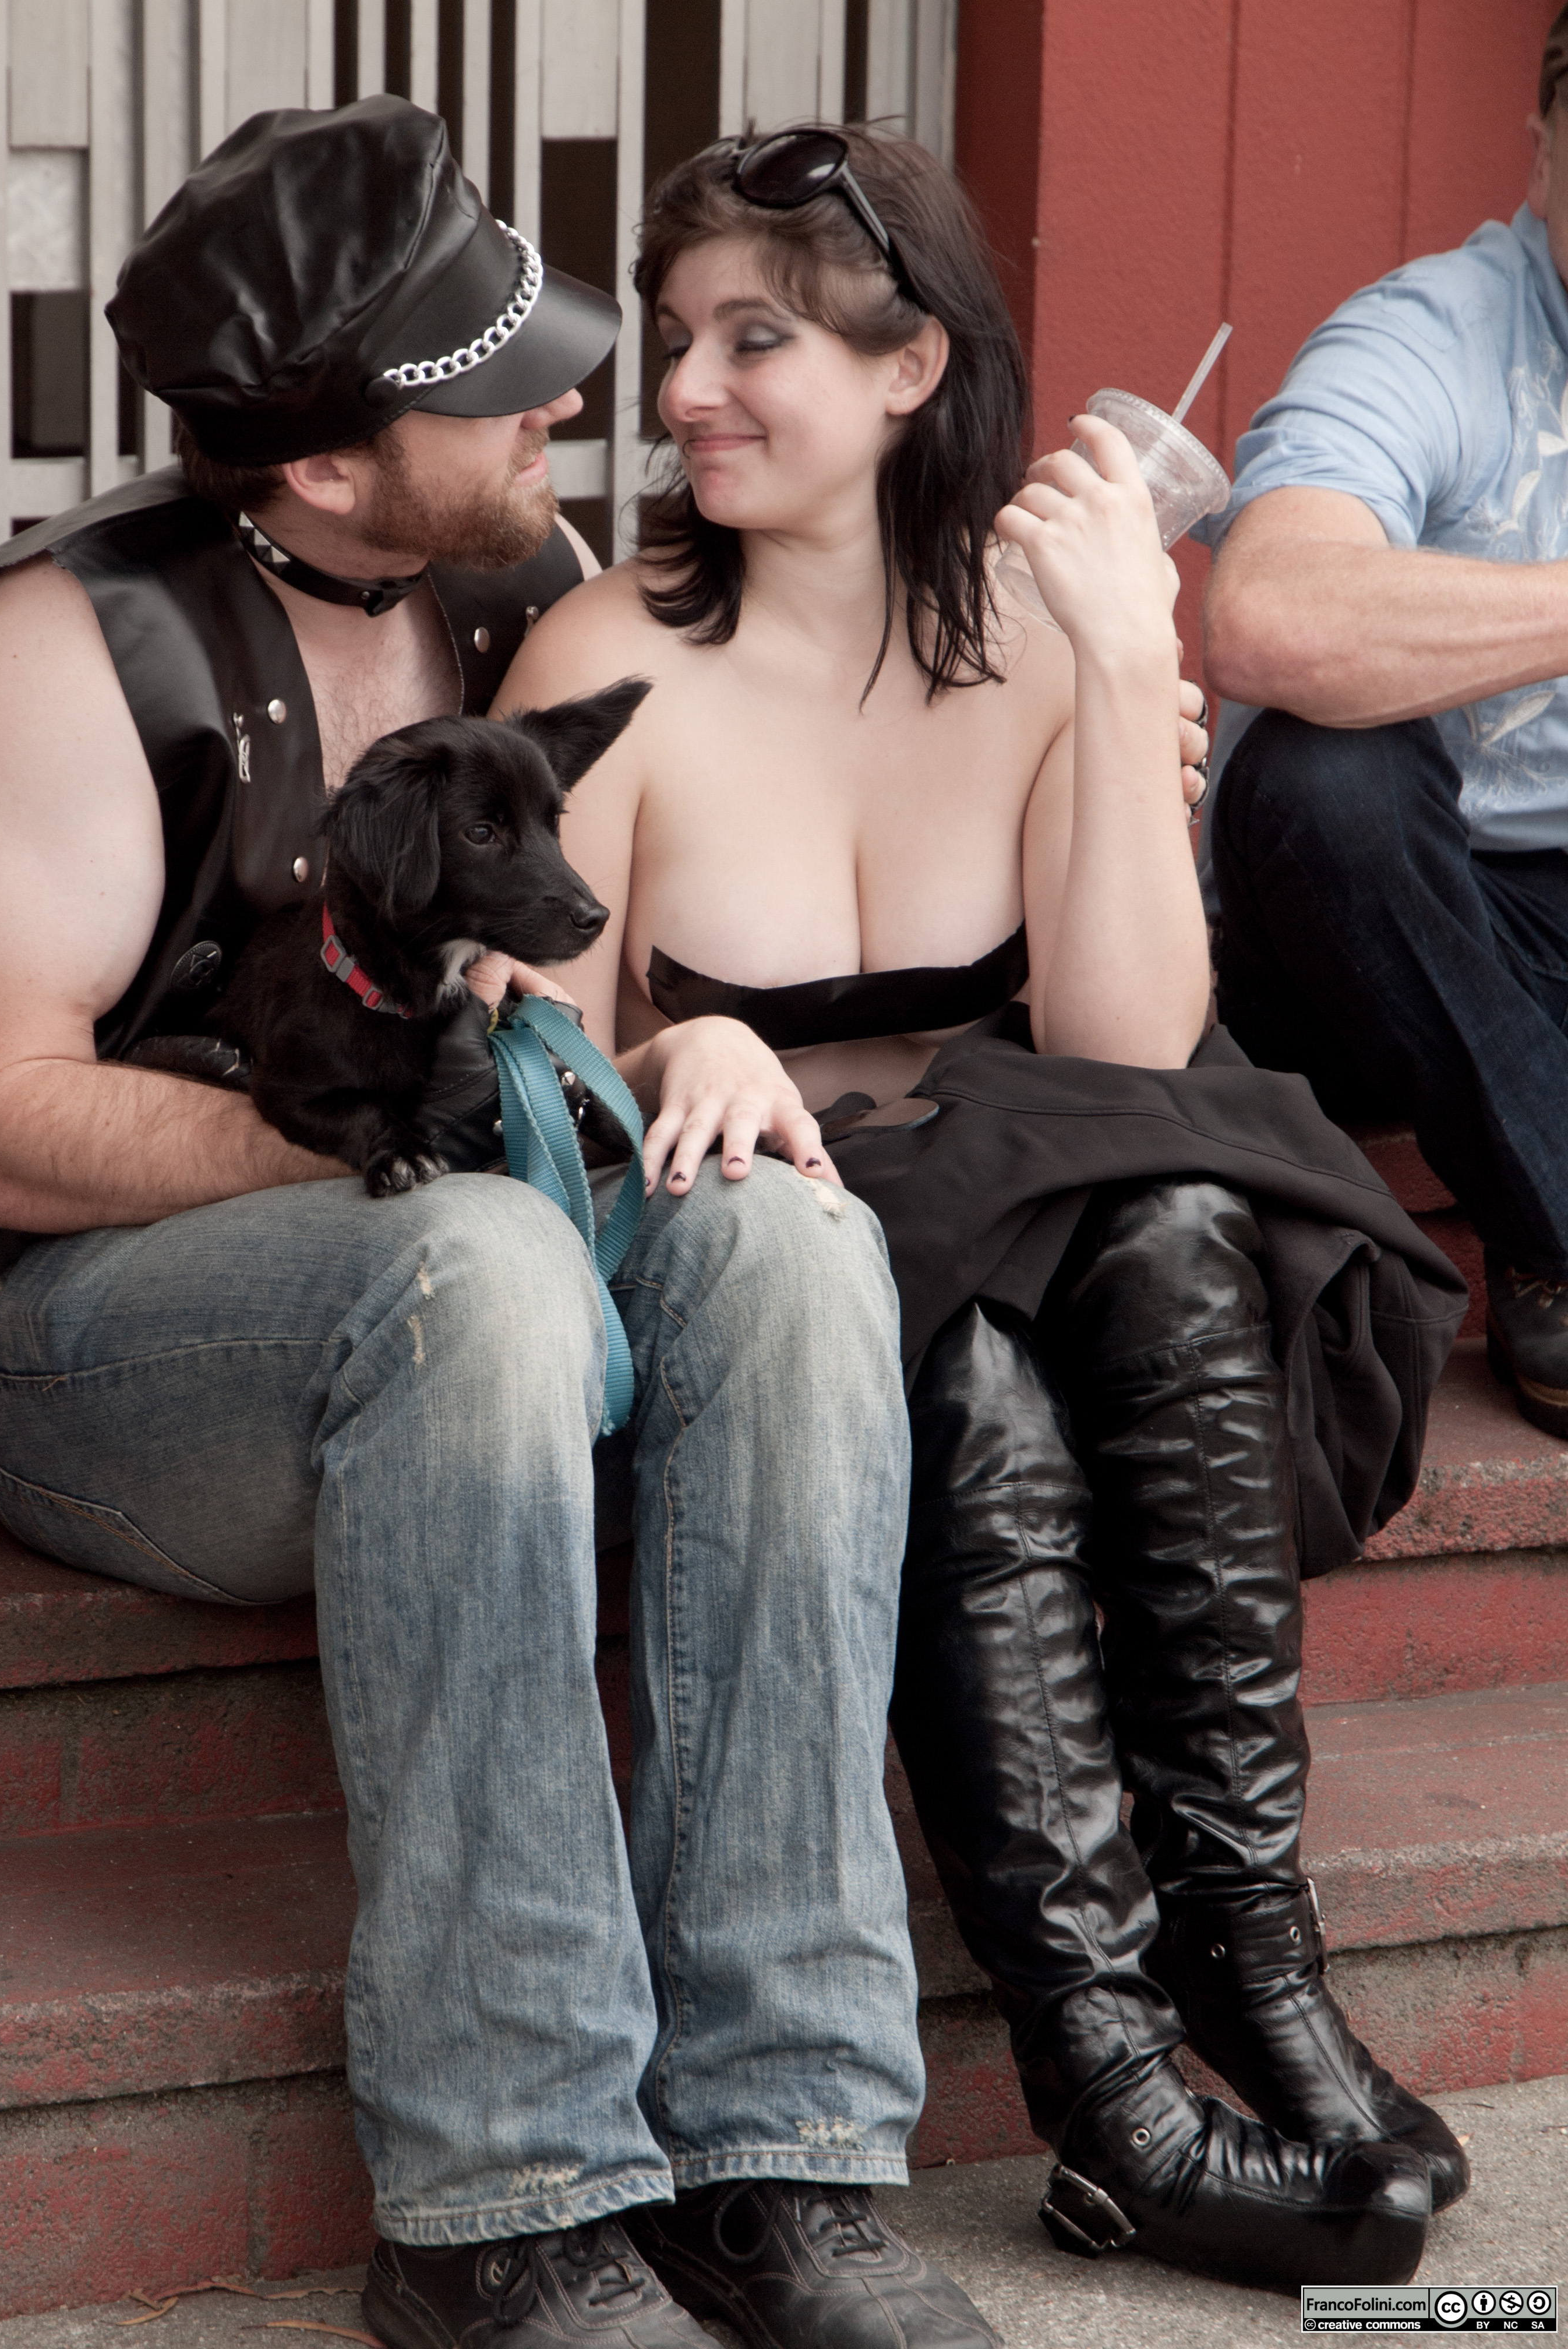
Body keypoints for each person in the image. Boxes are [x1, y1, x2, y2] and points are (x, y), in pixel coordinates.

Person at [0, 98, 1001, 2349]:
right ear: (333, 464)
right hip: (114, 1349)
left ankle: (783, 2157)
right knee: (483, 1262)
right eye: (499, 377)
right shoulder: (86, 639)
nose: (581, 391)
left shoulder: (525, 603)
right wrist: (397, 1168)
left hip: (469, 1292)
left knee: (789, 1247)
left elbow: (563, 1028)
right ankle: (504, 2195)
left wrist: (699, 1064)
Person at [496, 122, 1465, 2297]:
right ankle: (1111, 2085)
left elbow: (1123, 1054)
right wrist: (675, 1049)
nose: (682, 390)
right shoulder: (602, 656)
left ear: (914, 364)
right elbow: (514, 1076)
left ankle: (1242, 1957)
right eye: (674, 342)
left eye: (754, 339)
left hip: (1041, 1238)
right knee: (966, 1337)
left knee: (1167, 1215)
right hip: (776, 1279)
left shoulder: (1037, 642)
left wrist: (1125, 663)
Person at [1200, 5, 1568, 1442]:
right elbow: (1269, 616)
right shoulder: (1432, 335)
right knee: (1320, 770)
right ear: (1542, 151)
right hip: (1387, 934)